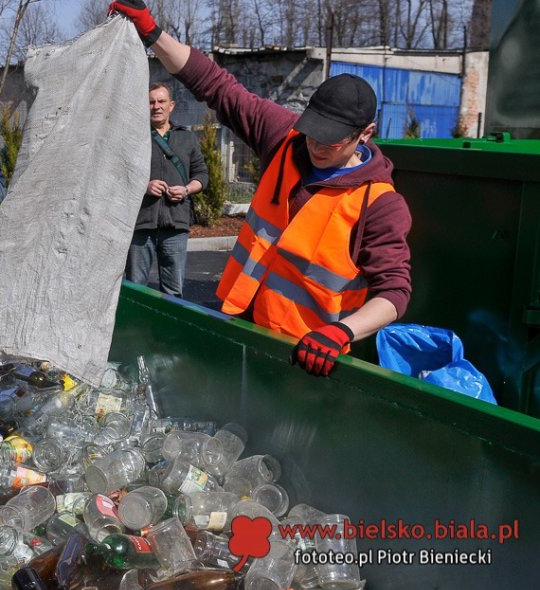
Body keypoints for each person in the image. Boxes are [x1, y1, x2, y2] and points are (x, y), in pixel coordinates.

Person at [110, 1, 412, 376]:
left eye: (331, 141)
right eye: (313, 131)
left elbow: (394, 292)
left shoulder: (378, 203)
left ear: (365, 133)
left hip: (305, 356)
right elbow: (217, 86)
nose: (316, 146)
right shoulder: (286, 139)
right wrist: (152, 33)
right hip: (239, 325)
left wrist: (340, 332)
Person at [125, 83, 208, 298]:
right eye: (151, 102)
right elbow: (119, 175)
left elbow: (201, 176)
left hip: (175, 225)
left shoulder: (187, 138)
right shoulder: (135, 138)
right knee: (136, 288)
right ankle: (135, 331)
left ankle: (168, 332)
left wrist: (187, 189)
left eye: (161, 101)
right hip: (141, 225)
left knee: (173, 292)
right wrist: (145, 186)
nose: (156, 106)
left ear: (171, 105)